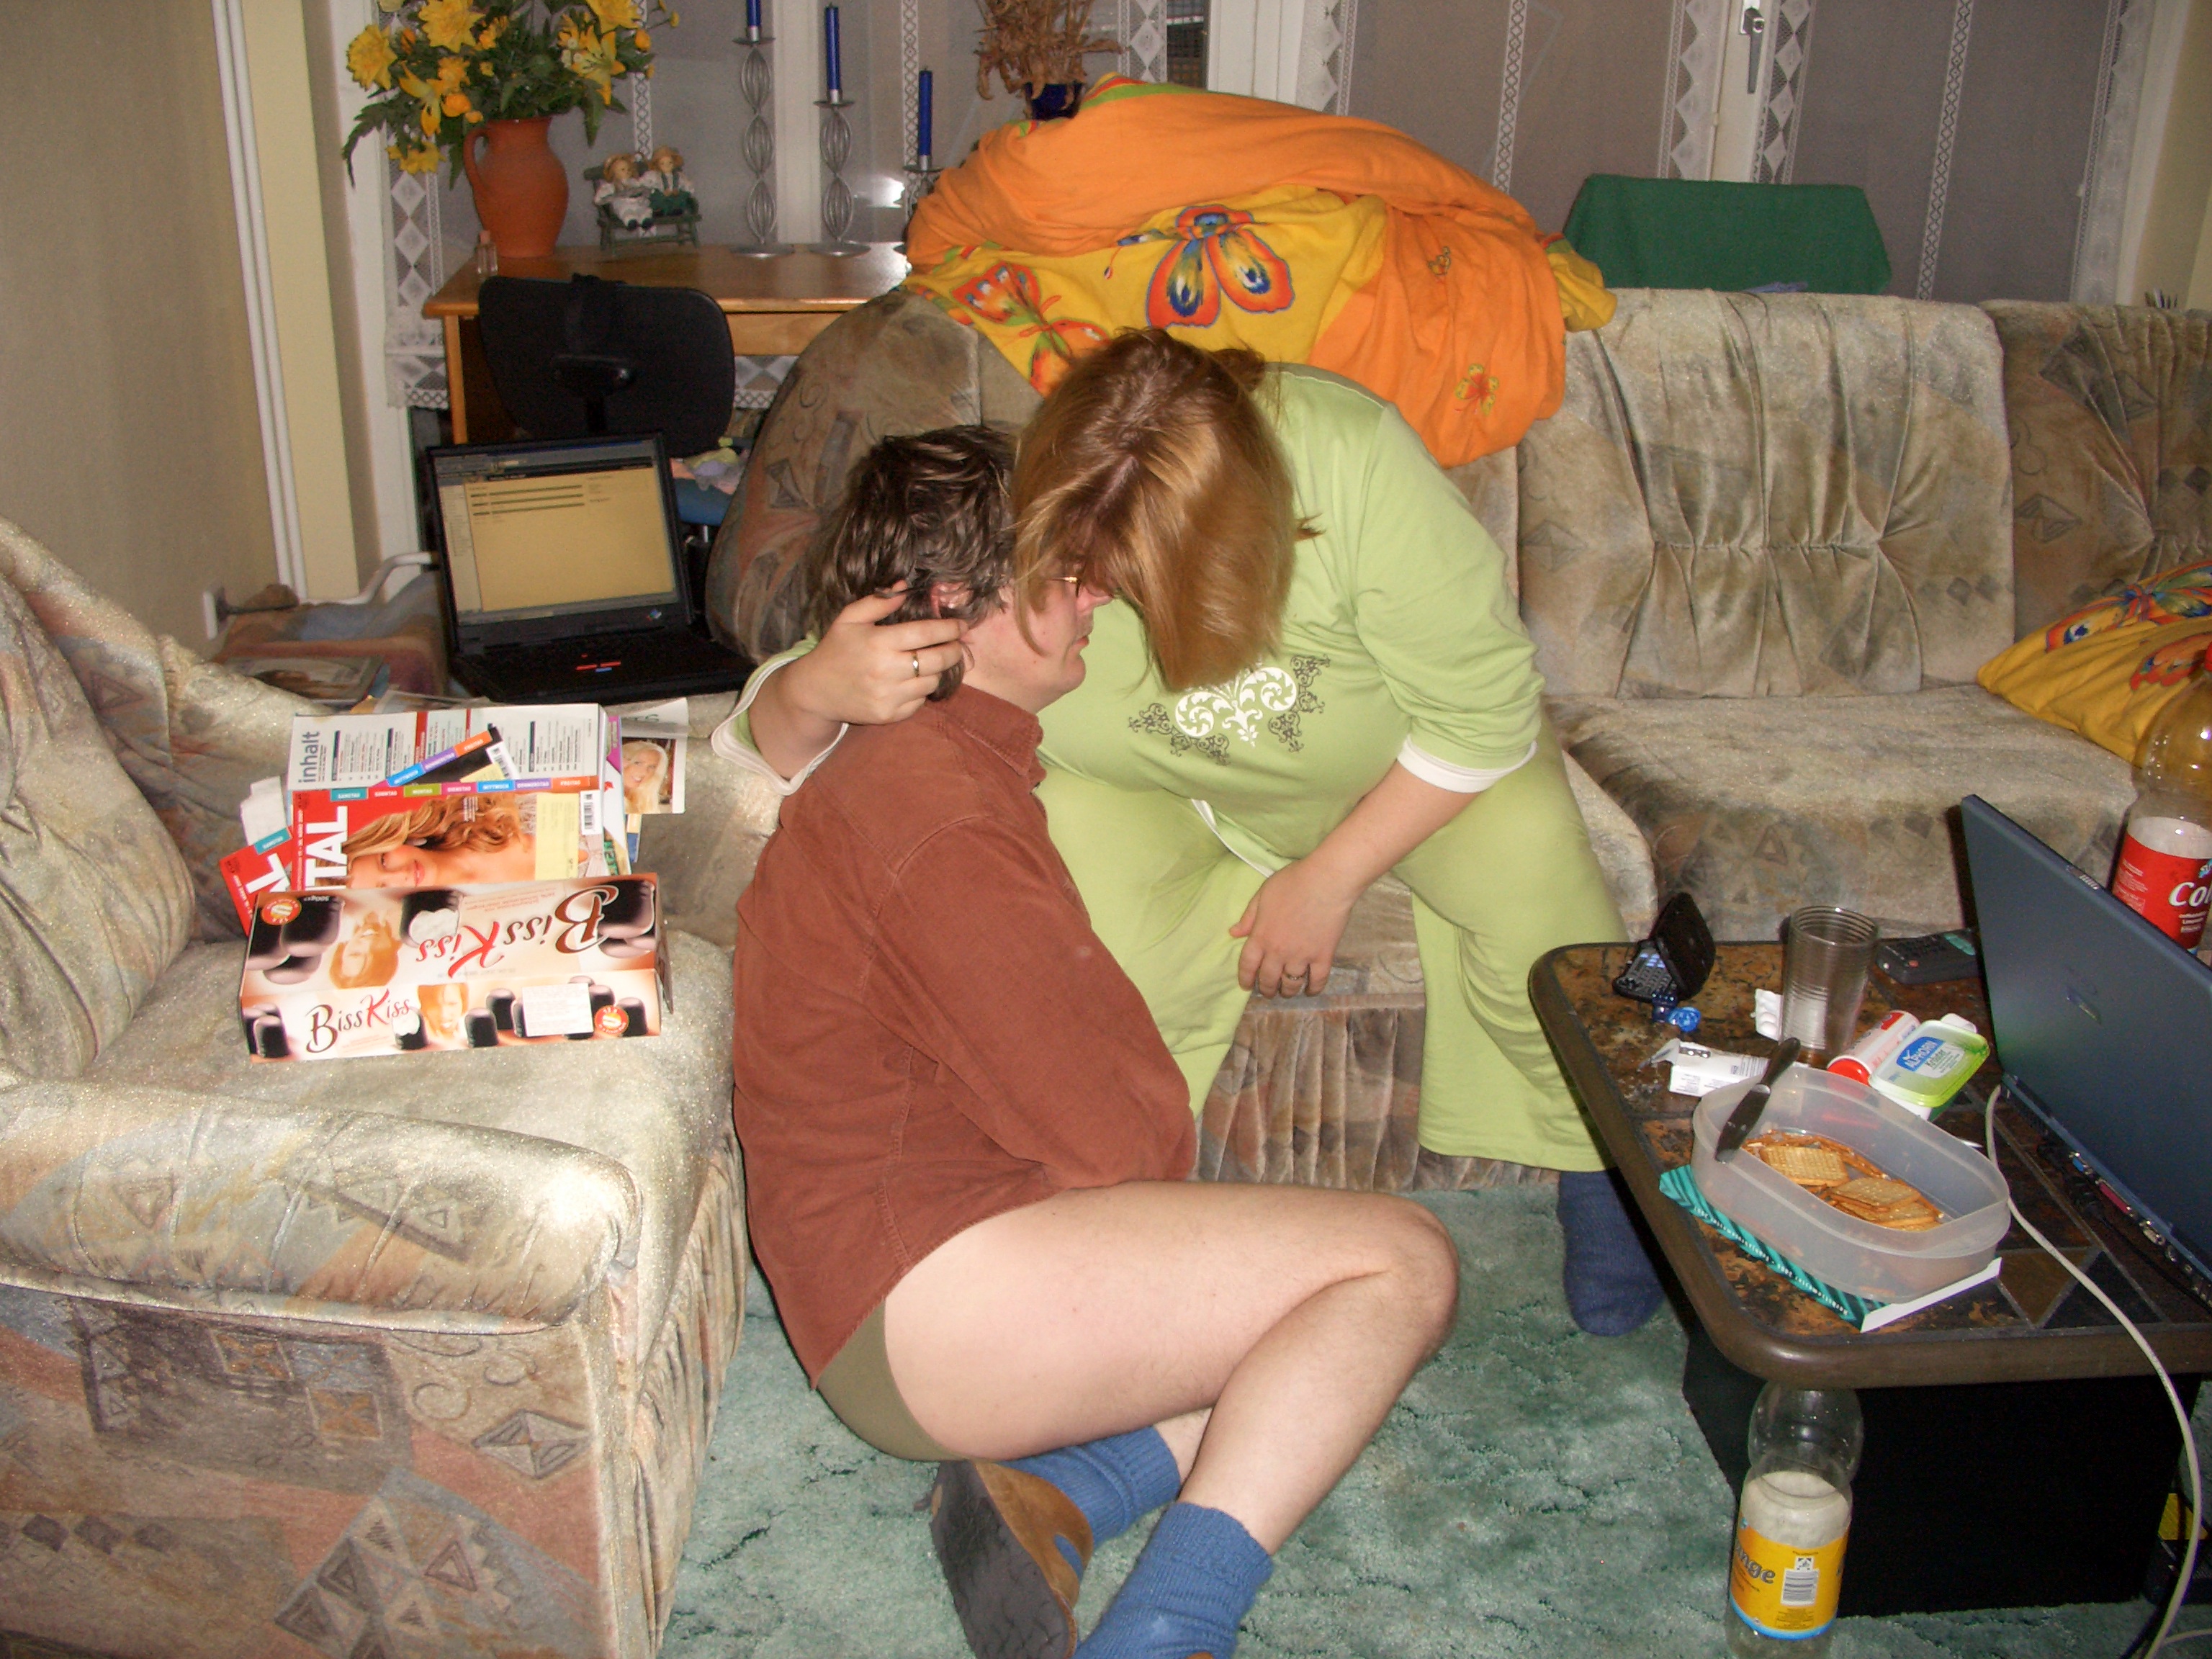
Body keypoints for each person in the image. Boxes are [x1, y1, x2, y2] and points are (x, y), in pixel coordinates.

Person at [720, 330, 1664, 1337]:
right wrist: (814, 687)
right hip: (1152, 792)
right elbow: (791, 726)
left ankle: (1610, 1161)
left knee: (1538, 873)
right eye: (1086, 569)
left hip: (1394, 771)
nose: (1101, 595)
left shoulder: (1350, 458)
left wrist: (1330, 877)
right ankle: (1102, 1222)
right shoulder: (1074, 482)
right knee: (1072, 956)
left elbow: (1487, 711)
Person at [730, 426, 1460, 1659]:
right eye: (1067, 573)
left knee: (1319, 1345)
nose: (1099, 595)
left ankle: (1057, 1492)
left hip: (899, 1272)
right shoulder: (937, 817)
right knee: (1396, 1271)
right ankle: (1169, 1628)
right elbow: (1109, 1138)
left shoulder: (927, 764)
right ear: (954, 611)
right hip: (915, 1306)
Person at [343, 796, 538, 888]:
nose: (401, 874)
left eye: (384, 861)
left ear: (388, 840)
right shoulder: (466, 927)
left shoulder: (478, 810)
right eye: (384, 887)